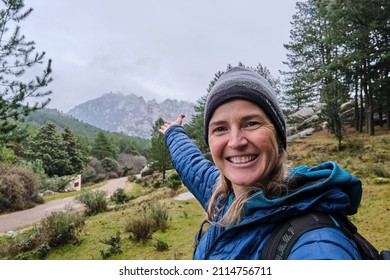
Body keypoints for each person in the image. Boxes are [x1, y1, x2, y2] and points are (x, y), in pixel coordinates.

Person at [159, 66, 362, 260]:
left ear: (278, 135)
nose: (236, 142)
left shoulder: (316, 241)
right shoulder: (224, 199)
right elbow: (192, 166)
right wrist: (173, 132)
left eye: (251, 123)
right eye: (220, 128)